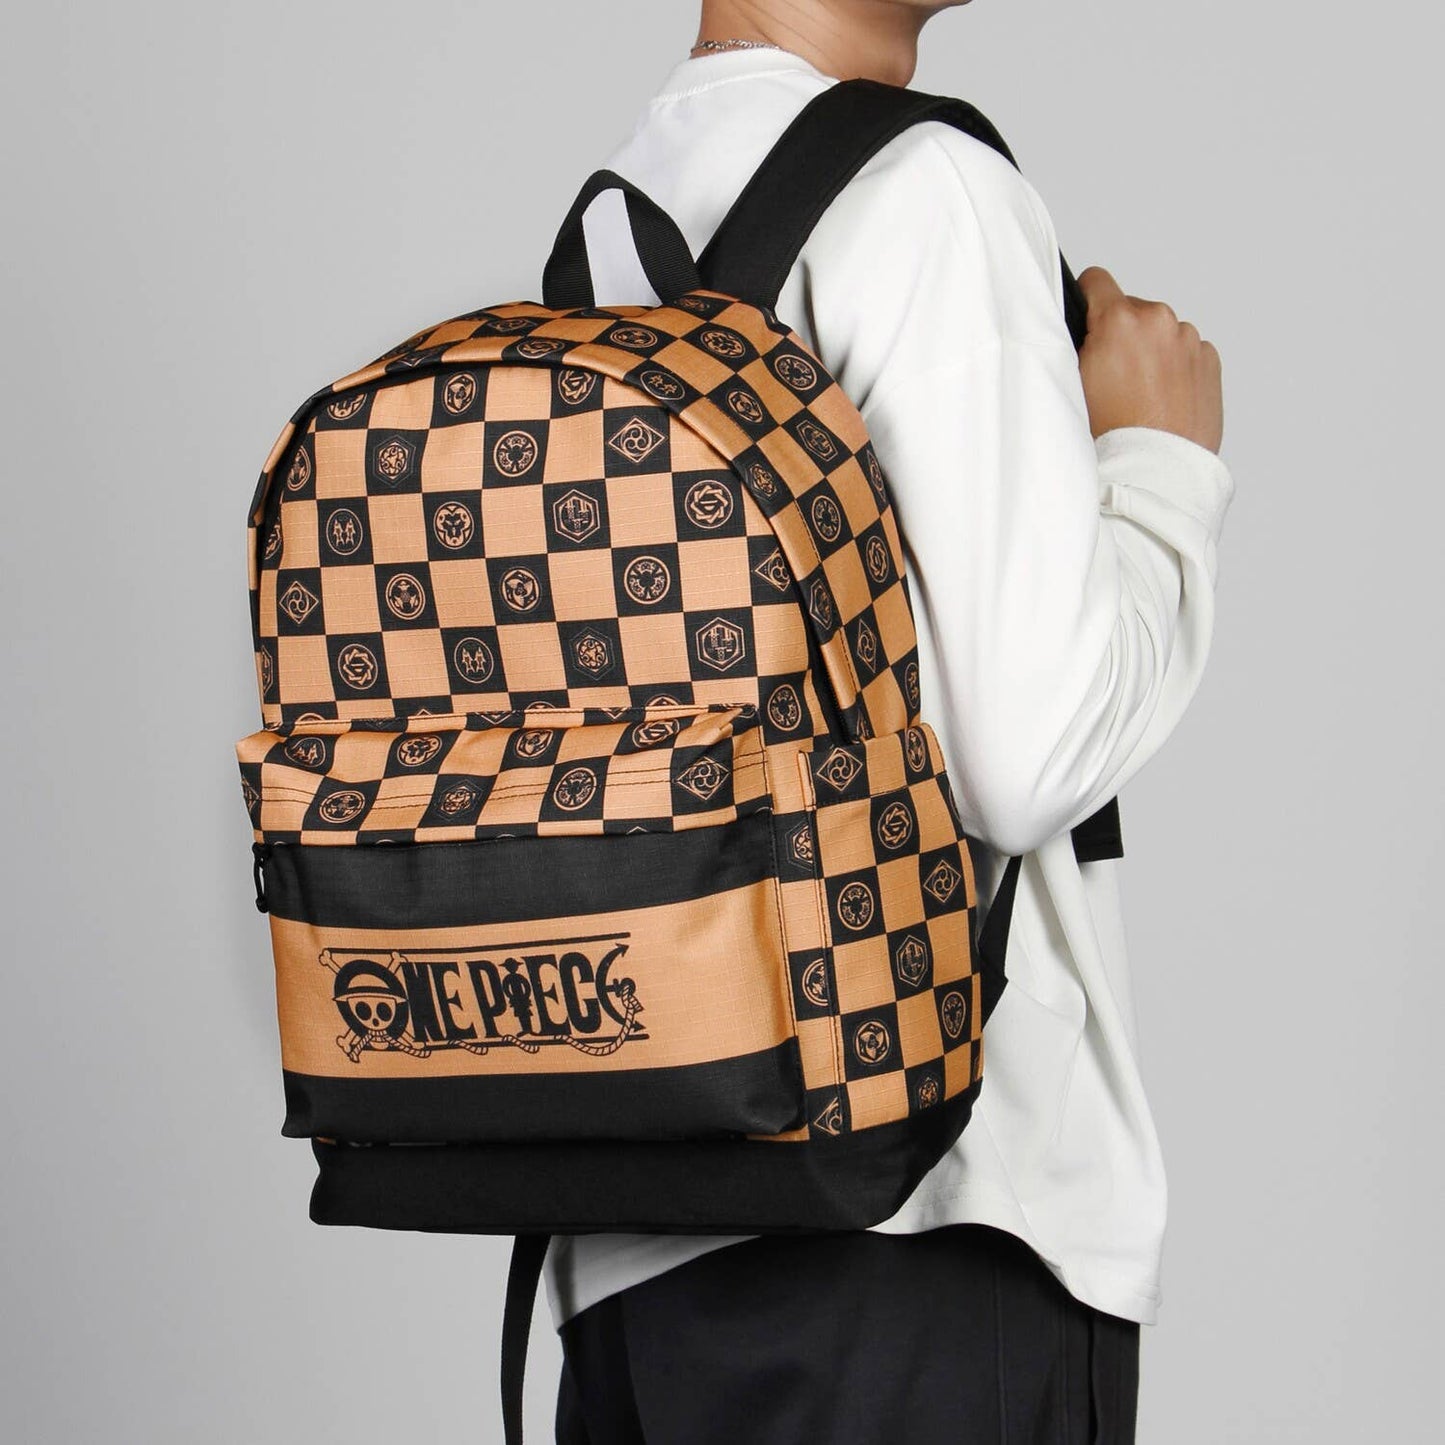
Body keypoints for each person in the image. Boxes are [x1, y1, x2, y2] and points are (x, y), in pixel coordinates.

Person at [545, 2, 1232, 1440]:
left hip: (632, 1237)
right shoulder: (921, 190)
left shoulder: (623, 209)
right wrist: (1158, 464)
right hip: (925, 1222)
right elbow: (1027, 757)